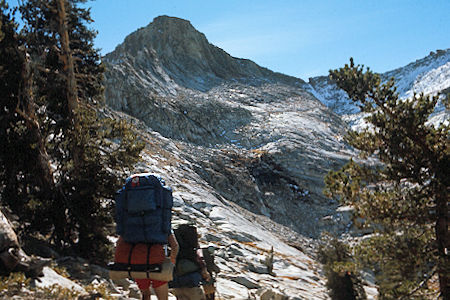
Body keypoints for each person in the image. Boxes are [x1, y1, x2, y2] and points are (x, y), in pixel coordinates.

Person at [137, 233, 179, 300]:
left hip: (138, 262)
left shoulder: (134, 225)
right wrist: (171, 260)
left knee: (145, 295)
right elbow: (175, 246)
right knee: (162, 297)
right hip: (158, 262)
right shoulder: (161, 223)